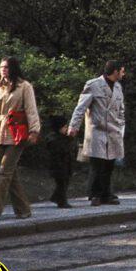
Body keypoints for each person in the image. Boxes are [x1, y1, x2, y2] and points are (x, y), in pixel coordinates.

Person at [0, 56, 41, 222]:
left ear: (13, 68)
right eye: (1, 67)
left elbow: (31, 110)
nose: (3, 70)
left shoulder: (24, 86)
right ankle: (23, 209)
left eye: (6, 67)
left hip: (17, 132)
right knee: (10, 173)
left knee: (4, 172)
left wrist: (34, 131)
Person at [69, 61, 126, 206]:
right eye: (122, 71)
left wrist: (121, 127)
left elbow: (121, 111)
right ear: (115, 71)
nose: (123, 74)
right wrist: (73, 125)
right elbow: (80, 107)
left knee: (109, 164)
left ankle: (107, 194)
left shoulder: (118, 87)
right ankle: (94, 194)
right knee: (97, 164)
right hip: (97, 130)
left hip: (113, 130)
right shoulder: (93, 85)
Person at [46, 115, 74, 208]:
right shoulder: (54, 139)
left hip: (65, 164)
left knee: (64, 183)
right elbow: (57, 153)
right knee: (61, 184)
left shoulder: (63, 137)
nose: (66, 129)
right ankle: (62, 201)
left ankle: (56, 197)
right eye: (65, 127)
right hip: (58, 166)